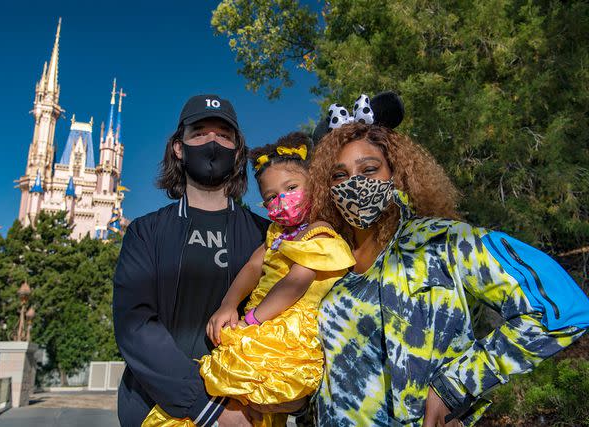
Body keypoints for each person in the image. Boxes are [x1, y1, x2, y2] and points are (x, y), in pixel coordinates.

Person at [306, 93, 589, 426]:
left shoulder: (442, 242)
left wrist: (455, 386)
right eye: (339, 176)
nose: (355, 184)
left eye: (369, 169)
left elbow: (562, 306)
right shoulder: (323, 263)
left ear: (396, 175)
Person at [142, 132, 355, 427]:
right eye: (270, 197)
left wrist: (253, 320)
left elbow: (294, 285)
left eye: (291, 187)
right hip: (261, 327)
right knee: (228, 391)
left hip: (286, 331)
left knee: (246, 390)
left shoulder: (320, 233)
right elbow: (254, 266)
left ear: (314, 184)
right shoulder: (276, 234)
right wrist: (228, 304)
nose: (281, 200)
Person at [113, 94, 270, 427]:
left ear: (237, 151)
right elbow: (135, 326)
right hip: (154, 413)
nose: (212, 142)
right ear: (179, 148)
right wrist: (207, 406)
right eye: (199, 132)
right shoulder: (146, 232)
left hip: (247, 413)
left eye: (224, 135)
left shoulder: (267, 237)